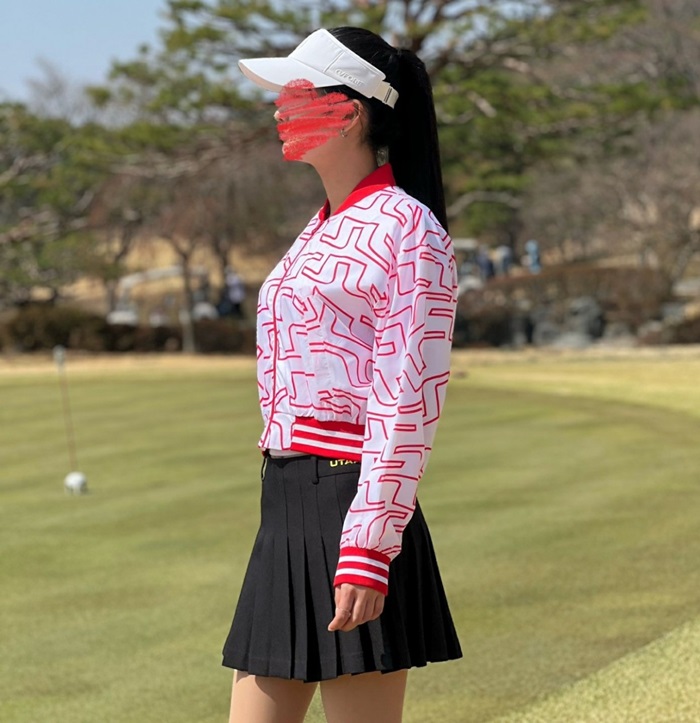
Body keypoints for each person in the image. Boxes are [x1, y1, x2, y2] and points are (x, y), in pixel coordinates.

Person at [222, 27, 462, 723]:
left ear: (350, 112)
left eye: (297, 93)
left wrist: (368, 546)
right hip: (286, 503)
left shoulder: (408, 229)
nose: (280, 108)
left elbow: (407, 398)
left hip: (352, 504)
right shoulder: (319, 227)